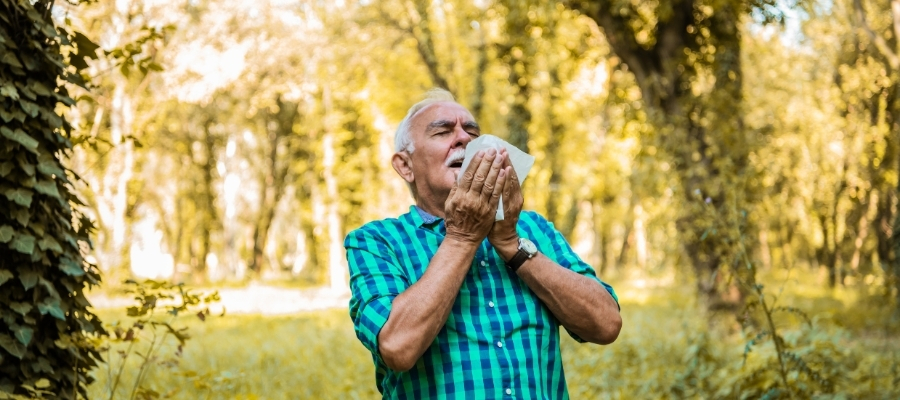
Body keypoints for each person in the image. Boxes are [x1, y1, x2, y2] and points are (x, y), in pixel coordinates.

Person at [345, 89, 622, 399]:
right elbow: (397, 347)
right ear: (405, 166)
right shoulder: (375, 241)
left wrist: (511, 244)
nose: (464, 138)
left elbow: (606, 324)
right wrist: (462, 238)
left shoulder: (533, 228)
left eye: (471, 131)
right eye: (443, 131)